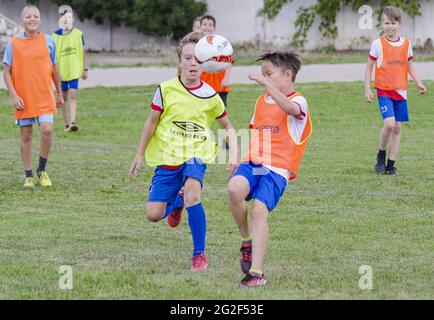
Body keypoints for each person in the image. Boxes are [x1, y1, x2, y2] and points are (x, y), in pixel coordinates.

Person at [128, 32, 237, 272]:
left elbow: (227, 126)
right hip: (168, 156)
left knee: (193, 196)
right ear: (179, 62)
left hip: (197, 153)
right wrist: (138, 155)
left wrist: (233, 155)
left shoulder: (211, 95)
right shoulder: (165, 90)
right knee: (154, 214)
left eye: (197, 58)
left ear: (205, 62)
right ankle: (176, 202)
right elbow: (151, 122)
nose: (192, 63)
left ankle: (199, 254)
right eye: (187, 58)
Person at [227, 52, 312, 287]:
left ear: (287, 74)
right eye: (263, 75)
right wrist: (239, 158)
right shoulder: (261, 101)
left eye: (269, 74)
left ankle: (256, 273)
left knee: (259, 211)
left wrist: (265, 83)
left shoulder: (299, 100)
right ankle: (246, 241)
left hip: (277, 169)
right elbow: (255, 133)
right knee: (234, 189)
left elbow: (290, 109)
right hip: (253, 162)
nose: (264, 79)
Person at [2, 4, 64, 188]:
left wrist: (59, 93)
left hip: (45, 96)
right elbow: (6, 72)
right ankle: (28, 175)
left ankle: (41, 170)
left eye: (35, 15)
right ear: (22, 21)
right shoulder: (14, 43)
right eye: (28, 16)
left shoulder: (49, 41)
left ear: (40, 20)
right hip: (23, 98)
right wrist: (13, 95)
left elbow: (54, 69)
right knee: (26, 134)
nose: (32, 19)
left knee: (47, 129)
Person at [364, 6, 426, 175]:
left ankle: (391, 165)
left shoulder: (406, 44)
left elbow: (410, 67)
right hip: (384, 90)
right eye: (386, 23)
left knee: (398, 127)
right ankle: (381, 154)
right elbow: (369, 67)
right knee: (389, 124)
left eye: (393, 23)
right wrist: (367, 88)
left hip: (401, 91)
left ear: (399, 24)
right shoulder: (377, 44)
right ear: (381, 24)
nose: (390, 26)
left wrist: (419, 83)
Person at [53, 4, 88, 132]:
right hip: (61, 72)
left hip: (74, 70)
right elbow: (52, 55)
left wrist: (84, 69)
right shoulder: (55, 36)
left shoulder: (78, 34)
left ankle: (73, 122)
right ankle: (66, 123)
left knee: (73, 94)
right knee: (63, 97)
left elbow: (82, 51)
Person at [199, 15, 232, 117]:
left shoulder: (220, 43)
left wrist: (225, 79)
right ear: (200, 26)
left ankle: (225, 131)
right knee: (202, 113)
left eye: (210, 25)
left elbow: (229, 61)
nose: (207, 27)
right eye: (204, 24)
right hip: (203, 83)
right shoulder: (198, 44)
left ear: (214, 28)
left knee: (221, 114)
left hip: (219, 83)